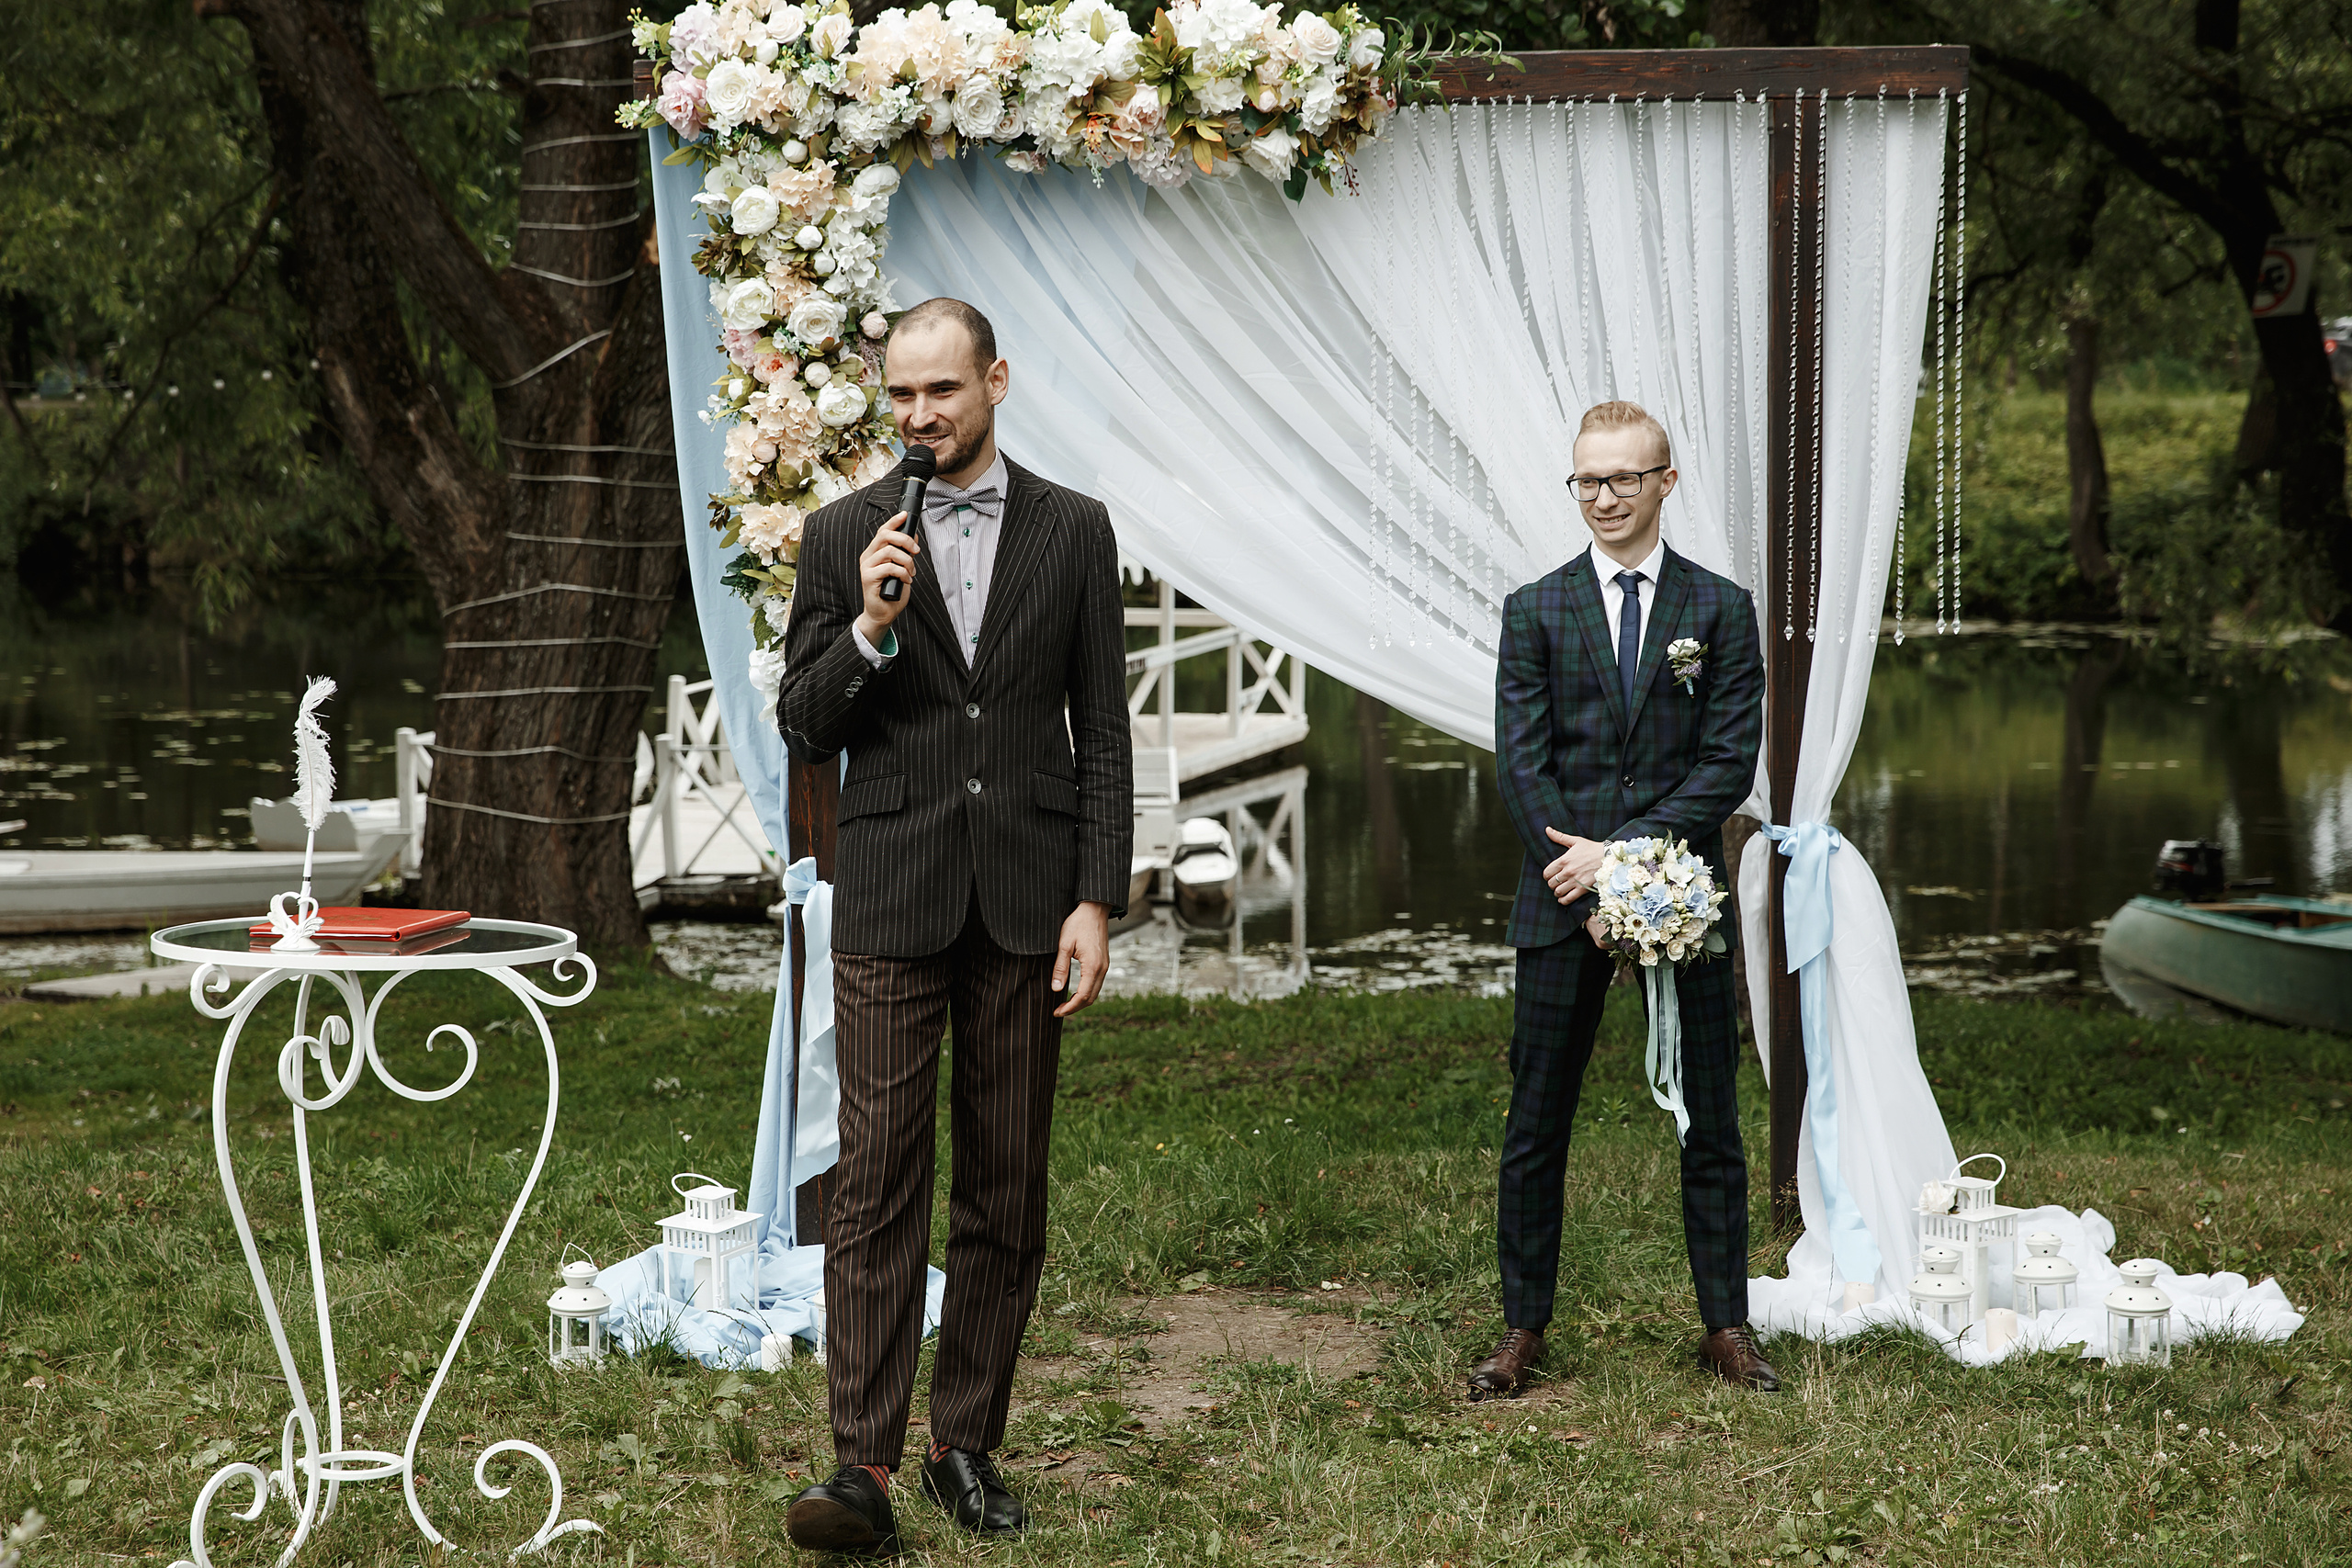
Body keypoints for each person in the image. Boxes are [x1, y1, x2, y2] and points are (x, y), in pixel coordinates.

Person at [775, 297, 1134, 1555]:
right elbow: (805, 720)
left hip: (1030, 896)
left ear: (995, 378)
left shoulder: (1076, 531)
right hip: (891, 890)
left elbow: (1104, 726)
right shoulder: (839, 536)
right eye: (903, 396)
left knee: (1004, 1177)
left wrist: (1096, 894)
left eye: (944, 389)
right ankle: (862, 1461)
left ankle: (962, 1440)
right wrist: (872, 624)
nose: (922, 415)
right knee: (876, 1178)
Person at [1476, 400, 1776, 1400]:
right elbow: (1523, 768)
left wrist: (1625, 863)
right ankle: (1521, 1327)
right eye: (1586, 481)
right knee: (1536, 1122)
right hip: (1557, 901)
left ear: (1665, 483)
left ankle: (1725, 1324)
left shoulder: (1720, 610)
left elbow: (1727, 764)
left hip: (1677, 900)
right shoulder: (1534, 609)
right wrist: (1585, 887)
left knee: (1711, 1122)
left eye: (1621, 479)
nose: (1602, 498)